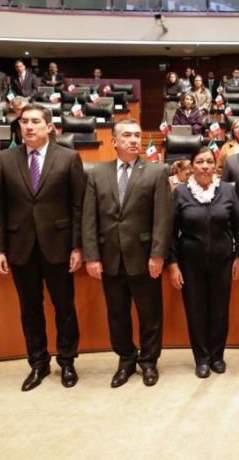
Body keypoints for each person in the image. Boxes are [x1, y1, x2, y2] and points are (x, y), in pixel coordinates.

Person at [0, 104, 85, 391]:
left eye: (35, 122)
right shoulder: (5, 159)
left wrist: (78, 246)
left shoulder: (68, 158)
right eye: (24, 122)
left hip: (58, 246)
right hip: (20, 248)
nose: (28, 127)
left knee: (64, 308)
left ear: (49, 126)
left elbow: (78, 206)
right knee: (30, 310)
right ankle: (38, 363)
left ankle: (67, 361)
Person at [82, 119, 173, 388]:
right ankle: (125, 360)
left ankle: (149, 361)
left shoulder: (156, 172)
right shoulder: (97, 173)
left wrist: (158, 255)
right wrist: (92, 255)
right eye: (127, 135)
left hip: (145, 257)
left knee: (150, 314)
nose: (134, 140)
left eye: (137, 135)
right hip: (109, 257)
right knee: (117, 314)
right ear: (114, 142)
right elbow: (89, 218)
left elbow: (163, 219)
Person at [168, 146, 239, 378]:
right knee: (196, 311)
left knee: (220, 312)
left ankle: (217, 356)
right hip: (190, 264)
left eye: (209, 162)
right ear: (192, 166)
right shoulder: (180, 193)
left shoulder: (227, 191)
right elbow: (170, 232)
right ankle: (201, 358)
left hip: (222, 261)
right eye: (199, 162)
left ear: (215, 166)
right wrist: (172, 264)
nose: (204, 166)